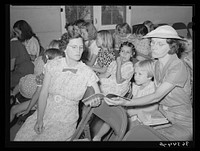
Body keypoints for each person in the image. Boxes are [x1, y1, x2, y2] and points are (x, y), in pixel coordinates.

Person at [105, 25, 193, 141]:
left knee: (137, 136)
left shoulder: (177, 67)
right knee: (127, 128)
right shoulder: (157, 63)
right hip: (162, 115)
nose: (154, 47)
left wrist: (125, 102)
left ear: (172, 46)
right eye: (152, 42)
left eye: (160, 44)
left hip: (181, 121)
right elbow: (140, 70)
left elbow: (156, 97)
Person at [14, 31, 101, 141]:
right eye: (74, 47)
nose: (78, 51)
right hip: (45, 112)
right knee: (20, 138)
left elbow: (98, 94)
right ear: (64, 48)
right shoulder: (52, 65)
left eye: (80, 47)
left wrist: (96, 100)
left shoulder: (87, 72)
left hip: (65, 120)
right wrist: (39, 119)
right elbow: (43, 93)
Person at [92, 41, 135, 141]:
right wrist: (94, 78)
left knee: (110, 111)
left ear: (132, 54)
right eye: (122, 51)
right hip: (108, 85)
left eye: (127, 52)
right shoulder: (114, 62)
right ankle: (87, 119)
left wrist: (119, 64)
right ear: (119, 52)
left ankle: (98, 136)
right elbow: (105, 75)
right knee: (91, 87)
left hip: (117, 90)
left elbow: (119, 81)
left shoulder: (129, 66)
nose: (124, 54)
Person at [10, 48, 65, 123]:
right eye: (59, 60)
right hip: (41, 100)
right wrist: (28, 109)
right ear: (49, 61)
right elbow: (37, 93)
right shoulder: (43, 76)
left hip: (52, 103)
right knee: (14, 109)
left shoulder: (61, 74)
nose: (62, 62)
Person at [126, 59, 158, 129]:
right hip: (133, 116)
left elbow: (155, 107)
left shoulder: (152, 89)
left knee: (131, 128)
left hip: (143, 118)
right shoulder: (136, 86)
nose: (136, 77)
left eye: (140, 74)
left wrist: (136, 111)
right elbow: (132, 101)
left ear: (149, 76)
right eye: (135, 73)